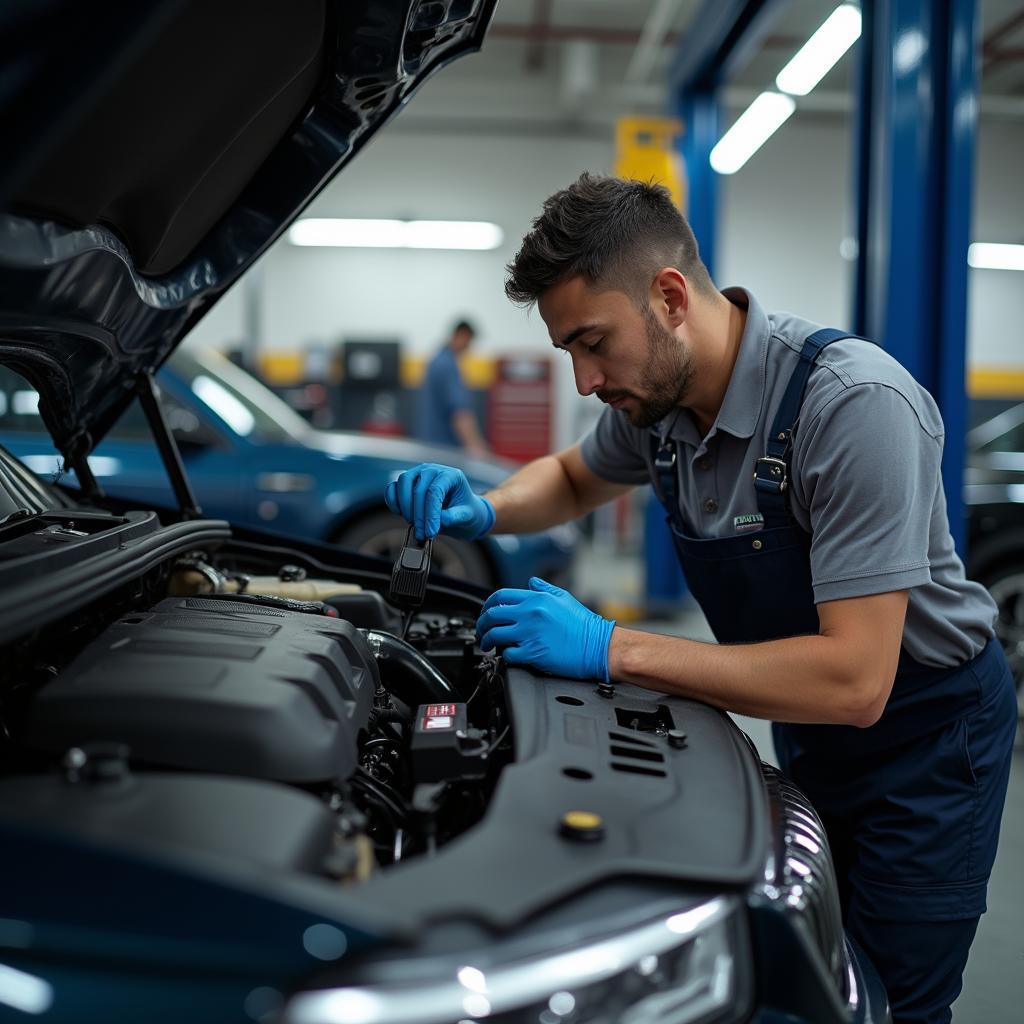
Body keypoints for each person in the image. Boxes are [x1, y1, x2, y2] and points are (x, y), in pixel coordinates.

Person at [385, 174, 1016, 1024]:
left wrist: (610, 646)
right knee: (811, 967)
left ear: (670, 297)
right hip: (815, 724)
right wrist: (487, 505)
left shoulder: (852, 407)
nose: (582, 380)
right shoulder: (659, 404)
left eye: (593, 342)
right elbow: (573, 476)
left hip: (928, 737)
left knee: (892, 999)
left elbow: (856, 681)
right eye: (569, 350)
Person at [413, 319, 488, 456]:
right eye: (468, 343)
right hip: (444, 450)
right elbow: (460, 413)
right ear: (461, 335)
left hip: (429, 445)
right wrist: (477, 448)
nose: (468, 349)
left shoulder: (435, 360)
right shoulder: (448, 366)